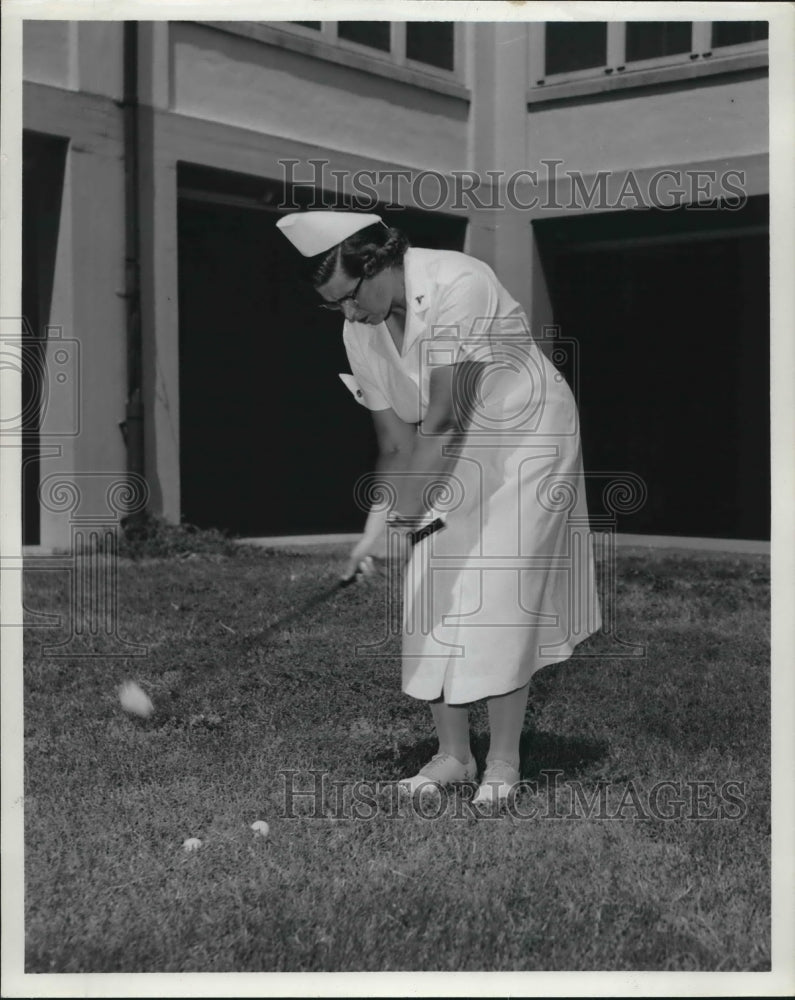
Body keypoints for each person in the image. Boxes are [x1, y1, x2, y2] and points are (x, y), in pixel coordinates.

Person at [276, 210, 601, 806]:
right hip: (440, 441)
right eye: (334, 306)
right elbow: (397, 443)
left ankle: (503, 761)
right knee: (431, 578)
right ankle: (454, 754)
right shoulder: (360, 332)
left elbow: (446, 417)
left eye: (350, 296)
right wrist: (375, 529)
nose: (348, 314)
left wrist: (406, 518)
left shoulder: (460, 282)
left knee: (501, 584)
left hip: (524, 439)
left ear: (378, 262)